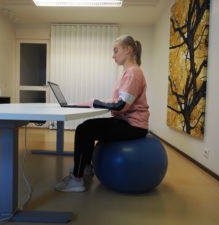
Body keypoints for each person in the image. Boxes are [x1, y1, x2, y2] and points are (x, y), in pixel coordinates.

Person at [55, 35, 150, 192]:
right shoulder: (130, 72)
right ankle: (85, 168)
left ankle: (77, 180)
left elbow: (120, 105)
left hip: (133, 126)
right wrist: (86, 103)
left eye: (115, 50)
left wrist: (94, 102)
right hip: (129, 122)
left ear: (128, 49)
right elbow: (118, 101)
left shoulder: (133, 73)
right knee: (88, 127)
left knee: (84, 129)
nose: (113, 55)